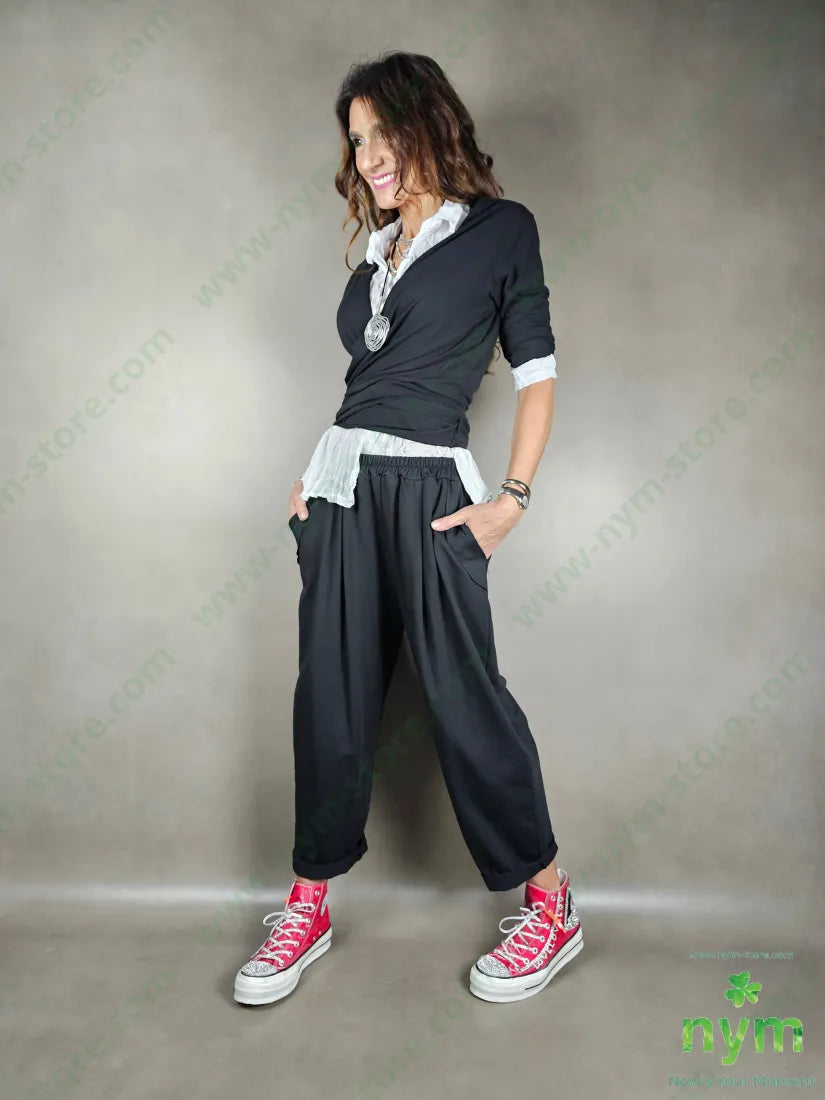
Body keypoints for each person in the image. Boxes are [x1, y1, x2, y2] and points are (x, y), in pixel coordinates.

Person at [233, 51, 583, 1008]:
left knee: (465, 700)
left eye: (383, 132)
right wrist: (311, 486)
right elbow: (366, 384)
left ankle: (549, 904)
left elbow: (537, 377)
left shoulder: (502, 231)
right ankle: (307, 905)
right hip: (340, 491)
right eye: (357, 142)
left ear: (430, 122)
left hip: (432, 490)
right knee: (330, 699)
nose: (370, 156)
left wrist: (512, 496)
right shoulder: (373, 259)